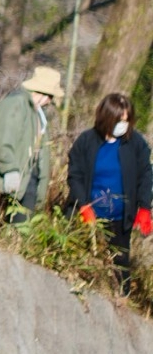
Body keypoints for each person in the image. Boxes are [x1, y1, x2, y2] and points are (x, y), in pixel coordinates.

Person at [65, 91, 153, 282]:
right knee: (83, 267)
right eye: (119, 120)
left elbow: (146, 174)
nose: (123, 125)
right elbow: (75, 175)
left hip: (120, 221)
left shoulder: (135, 143)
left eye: (126, 120)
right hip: (88, 217)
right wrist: (83, 205)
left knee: (119, 272)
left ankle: (122, 300)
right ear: (107, 117)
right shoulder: (86, 141)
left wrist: (145, 207)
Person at [0, 66, 62, 235]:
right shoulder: (16, 104)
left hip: (23, 182)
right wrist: (10, 168)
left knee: (17, 234)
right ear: (44, 94)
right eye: (51, 97)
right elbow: (1, 141)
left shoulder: (37, 114)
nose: (50, 101)